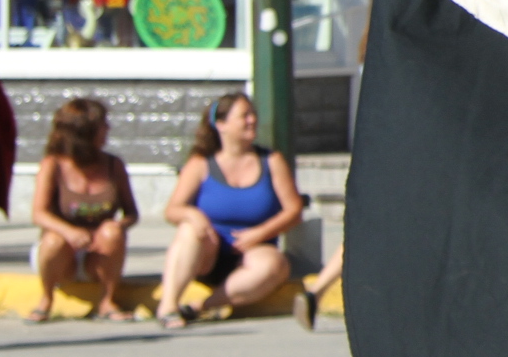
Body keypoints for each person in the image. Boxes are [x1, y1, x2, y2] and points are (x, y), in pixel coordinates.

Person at [156, 90, 303, 327]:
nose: (252, 120)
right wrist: (194, 216)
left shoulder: (271, 160)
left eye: (253, 114)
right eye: (244, 116)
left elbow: (294, 210)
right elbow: (172, 210)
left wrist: (260, 233)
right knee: (187, 231)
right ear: (221, 125)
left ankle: (200, 307)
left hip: (253, 252)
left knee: (275, 264)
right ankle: (168, 305)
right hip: (209, 252)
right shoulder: (201, 163)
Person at [27, 97, 138, 322]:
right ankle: (46, 299)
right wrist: (69, 232)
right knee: (53, 239)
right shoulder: (53, 164)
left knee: (112, 233)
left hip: (99, 252)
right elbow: (39, 213)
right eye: (102, 125)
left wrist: (117, 225)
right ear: (84, 132)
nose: (108, 129)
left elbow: (131, 213)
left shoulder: (113, 165)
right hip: (60, 253)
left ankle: (107, 300)